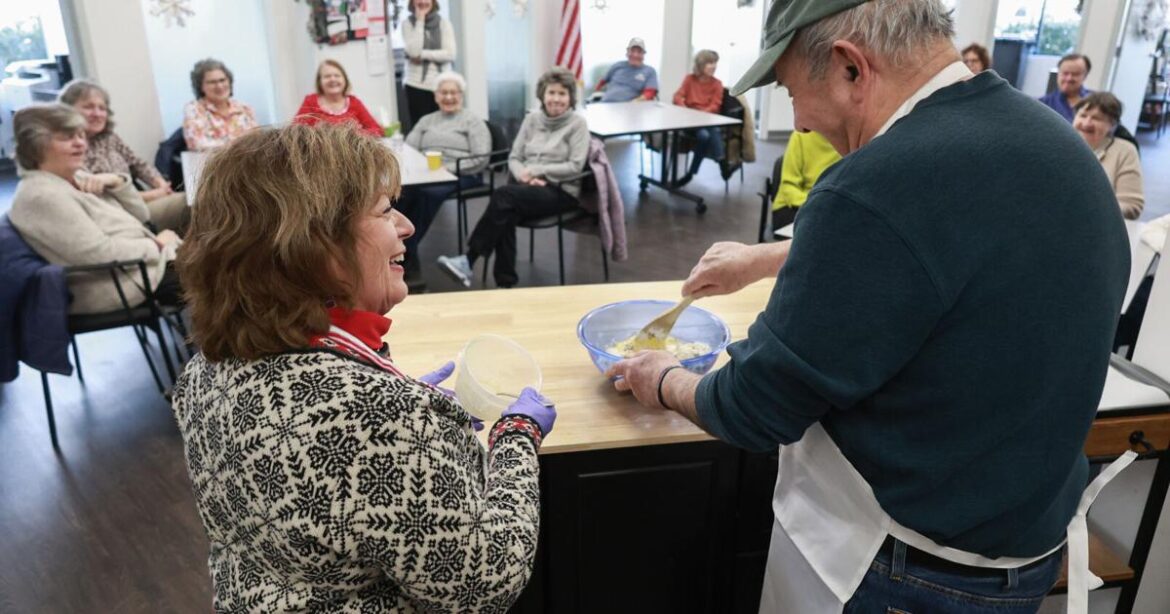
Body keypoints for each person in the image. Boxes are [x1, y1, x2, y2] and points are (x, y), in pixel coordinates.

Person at [605, 1, 1130, 613]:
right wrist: (764, 259)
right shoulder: (1055, 143)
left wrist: (662, 378)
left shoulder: (876, 183)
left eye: (792, 93)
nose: (798, 124)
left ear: (851, 67)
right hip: (1028, 551)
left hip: (904, 569)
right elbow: (948, 252)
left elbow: (754, 407)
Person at [171, 123, 555, 611]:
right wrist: (516, 436)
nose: (407, 226)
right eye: (384, 210)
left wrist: (401, 410)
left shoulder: (201, 372)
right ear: (319, 247)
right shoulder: (380, 417)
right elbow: (486, 581)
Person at [9, 104, 182, 314]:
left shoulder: (76, 176)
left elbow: (141, 215)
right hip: (127, 283)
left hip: (143, 267)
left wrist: (117, 181)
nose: (80, 143)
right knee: (218, 273)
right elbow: (100, 253)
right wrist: (157, 245)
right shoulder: (42, 195)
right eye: (67, 137)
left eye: (81, 135)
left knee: (216, 256)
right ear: (35, 146)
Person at [437, 67, 589, 289]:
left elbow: (575, 166)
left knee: (504, 196)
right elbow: (515, 157)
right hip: (528, 187)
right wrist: (524, 176)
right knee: (505, 212)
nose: (556, 99)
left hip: (562, 191)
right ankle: (505, 283)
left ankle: (468, 260)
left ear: (570, 98)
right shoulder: (532, 119)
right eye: (551, 92)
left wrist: (535, 171)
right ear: (543, 94)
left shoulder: (577, 124)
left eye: (562, 94)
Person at [58, 79, 190, 235]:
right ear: (68, 110)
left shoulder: (109, 138)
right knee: (191, 202)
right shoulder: (71, 148)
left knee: (196, 204)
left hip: (139, 203)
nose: (97, 113)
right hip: (120, 214)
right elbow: (104, 198)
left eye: (102, 108)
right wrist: (155, 194)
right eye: (88, 107)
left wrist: (161, 184)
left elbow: (138, 164)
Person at [399, 71, 490, 289]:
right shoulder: (426, 120)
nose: (449, 97)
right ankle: (397, 248)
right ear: (436, 96)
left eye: (453, 92)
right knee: (401, 193)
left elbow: (481, 157)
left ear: (461, 95)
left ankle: (406, 255)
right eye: (443, 92)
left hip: (462, 173)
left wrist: (446, 169)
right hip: (427, 174)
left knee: (426, 195)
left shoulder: (472, 121)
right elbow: (409, 148)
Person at [1073, 92, 1144, 220]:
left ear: (1112, 125)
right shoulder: (1059, 144)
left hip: (1098, 224)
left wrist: (1091, 210)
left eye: (1096, 118)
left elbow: (1132, 205)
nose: (1086, 123)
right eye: (1082, 115)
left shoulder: (1125, 151)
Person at [771, 130, 841, 232]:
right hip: (793, 205)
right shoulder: (800, 136)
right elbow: (788, 186)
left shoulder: (849, 141)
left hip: (829, 206)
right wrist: (815, 203)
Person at [672, 49, 724, 186]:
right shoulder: (689, 79)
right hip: (690, 121)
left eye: (715, 63)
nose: (714, 66)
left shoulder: (717, 84)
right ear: (701, 65)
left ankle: (691, 173)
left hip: (706, 120)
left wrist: (701, 115)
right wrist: (685, 109)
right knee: (713, 131)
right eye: (710, 63)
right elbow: (677, 96)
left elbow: (715, 106)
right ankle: (722, 161)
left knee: (705, 135)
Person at [182, 58, 258, 151]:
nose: (219, 86)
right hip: (214, 160)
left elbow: (257, 141)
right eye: (212, 82)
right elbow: (197, 144)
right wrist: (239, 146)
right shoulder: (194, 109)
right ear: (200, 86)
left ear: (229, 81)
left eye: (222, 80)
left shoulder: (245, 108)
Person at [293, 59, 382, 137]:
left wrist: (354, 137)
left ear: (345, 80)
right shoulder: (310, 101)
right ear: (319, 82)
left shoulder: (354, 102)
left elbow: (376, 130)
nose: (332, 79)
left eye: (337, 75)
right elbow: (295, 132)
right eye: (327, 76)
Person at [402, 0, 456, 126]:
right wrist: (420, 21)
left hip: (442, 85)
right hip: (416, 85)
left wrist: (422, 55)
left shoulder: (444, 23)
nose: (422, 1)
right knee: (422, 129)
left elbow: (450, 54)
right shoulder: (407, 24)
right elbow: (414, 51)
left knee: (445, 128)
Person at [596, 38, 659, 102]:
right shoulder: (617, 65)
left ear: (643, 54)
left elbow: (650, 92)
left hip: (629, 105)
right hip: (605, 103)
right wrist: (596, 91)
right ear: (627, 52)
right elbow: (602, 82)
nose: (635, 55)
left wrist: (636, 101)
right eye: (632, 51)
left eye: (639, 52)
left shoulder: (649, 71)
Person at [1039, 53, 1093, 122]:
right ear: (1058, 74)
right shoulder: (1043, 105)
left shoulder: (1098, 103)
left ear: (1085, 76)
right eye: (1065, 73)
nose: (1069, 78)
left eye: (1075, 74)